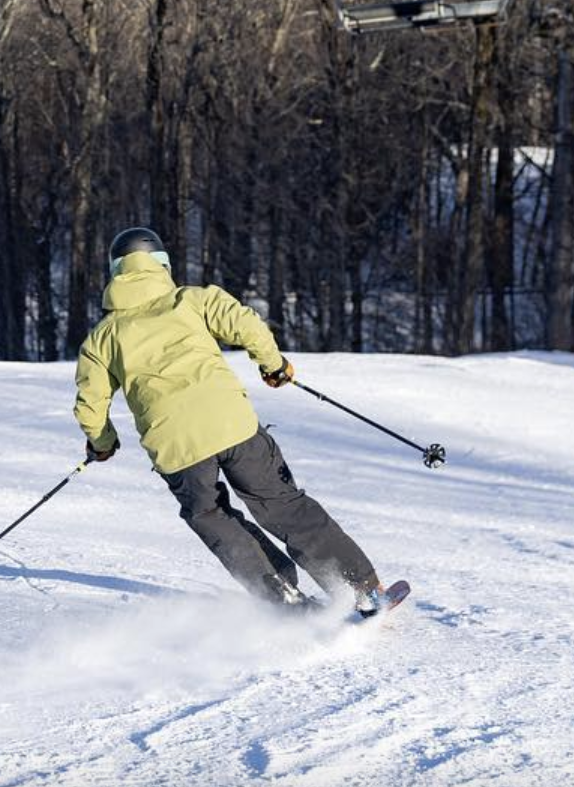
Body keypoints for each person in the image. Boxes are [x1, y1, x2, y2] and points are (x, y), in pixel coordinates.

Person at [74, 226, 391, 614]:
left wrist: (102, 443)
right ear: (162, 264)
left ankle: (282, 596)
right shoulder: (192, 299)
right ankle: (362, 590)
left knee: (212, 517)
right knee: (282, 504)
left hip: (177, 449)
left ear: (116, 272)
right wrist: (273, 366)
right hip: (232, 425)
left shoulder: (101, 338)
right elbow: (247, 326)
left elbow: (91, 404)